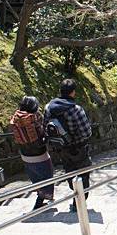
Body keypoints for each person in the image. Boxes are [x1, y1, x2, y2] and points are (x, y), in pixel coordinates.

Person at [44, 79, 92, 212]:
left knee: (69, 171)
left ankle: (75, 193)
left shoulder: (49, 108)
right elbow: (86, 132)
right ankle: (80, 201)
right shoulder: (76, 109)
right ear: (73, 92)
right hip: (78, 148)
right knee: (83, 173)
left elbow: (45, 128)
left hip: (61, 148)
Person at [10, 96, 54, 210]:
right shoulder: (33, 119)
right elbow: (42, 135)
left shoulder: (16, 118)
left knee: (36, 179)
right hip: (39, 155)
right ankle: (39, 203)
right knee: (47, 177)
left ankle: (40, 201)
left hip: (25, 155)